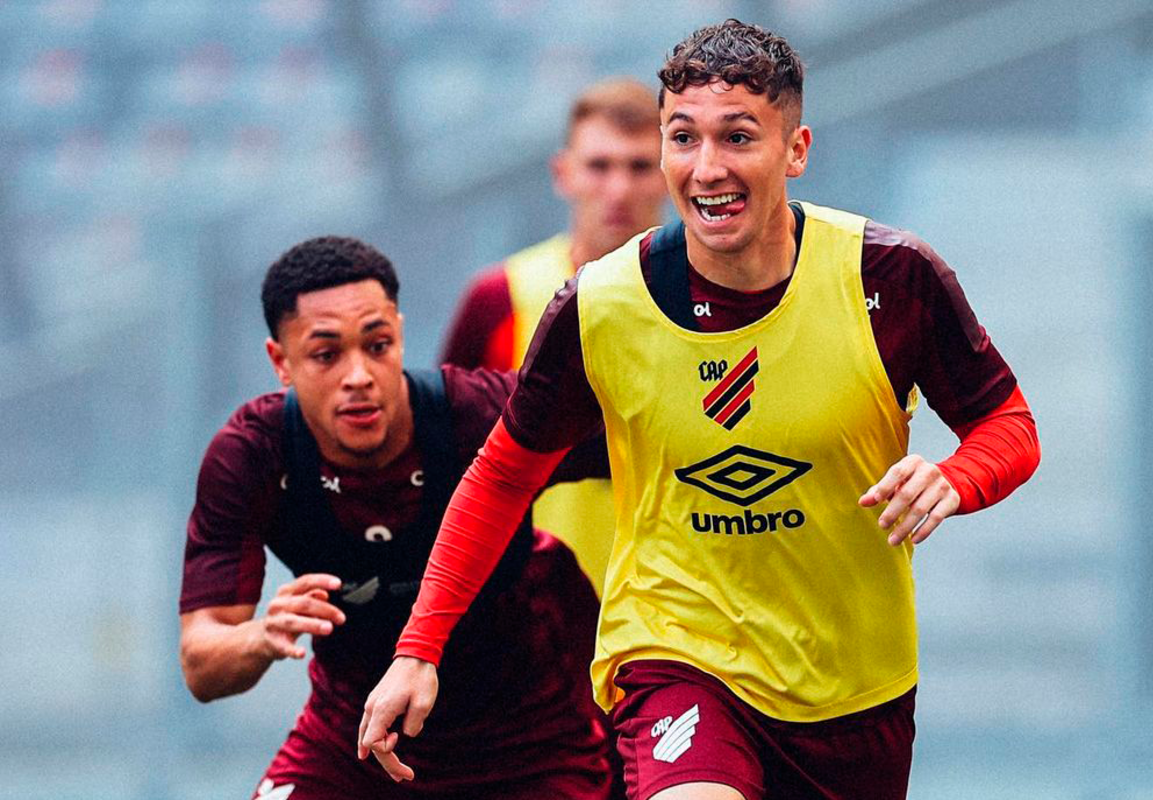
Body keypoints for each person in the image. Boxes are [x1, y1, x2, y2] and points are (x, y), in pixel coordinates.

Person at [359, 19, 1041, 800]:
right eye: (683, 138)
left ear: (797, 150)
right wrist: (420, 647)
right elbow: (498, 478)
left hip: (856, 687)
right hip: (676, 654)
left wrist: (959, 476)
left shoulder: (889, 276)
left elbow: (1010, 425)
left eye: (738, 137)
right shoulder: (598, 306)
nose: (707, 167)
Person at [178, 236, 616, 800]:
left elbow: (654, 441)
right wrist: (262, 636)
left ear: (401, 336)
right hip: (353, 740)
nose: (359, 375)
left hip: (529, 744)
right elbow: (201, 665)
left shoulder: (480, 414)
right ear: (280, 362)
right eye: (326, 354)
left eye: (378, 345)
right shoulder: (252, 456)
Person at [441, 76, 667, 594]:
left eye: (638, 167)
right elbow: (446, 456)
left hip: (682, 613)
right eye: (599, 166)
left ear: (669, 174)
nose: (619, 188)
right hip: (534, 610)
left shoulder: (720, 298)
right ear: (563, 173)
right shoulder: (499, 299)